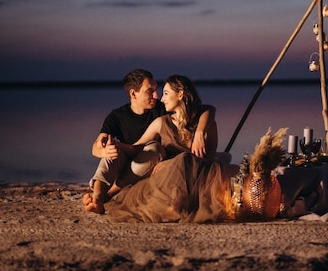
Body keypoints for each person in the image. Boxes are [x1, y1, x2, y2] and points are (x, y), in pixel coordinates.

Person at [104, 75, 234, 223]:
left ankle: (177, 207)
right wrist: (119, 146)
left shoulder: (205, 123)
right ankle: (171, 206)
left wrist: (198, 133)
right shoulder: (161, 123)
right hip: (167, 182)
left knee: (185, 159)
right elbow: (137, 148)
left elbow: (207, 155)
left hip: (202, 179)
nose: (162, 99)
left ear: (180, 94)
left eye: (166, 93)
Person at [83, 70, 215, 214]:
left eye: (158, 91)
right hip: (128, 160)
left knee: (153, 148)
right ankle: (97, 196)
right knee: (112, 151)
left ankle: (104, 197)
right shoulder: (116, 117)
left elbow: (206, 109)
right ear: (133, 94)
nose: (157, 96)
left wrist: (200, 133)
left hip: (150, 165)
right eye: (150, 91)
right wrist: (105, 149)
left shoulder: (161, 109)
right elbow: (97, 146)